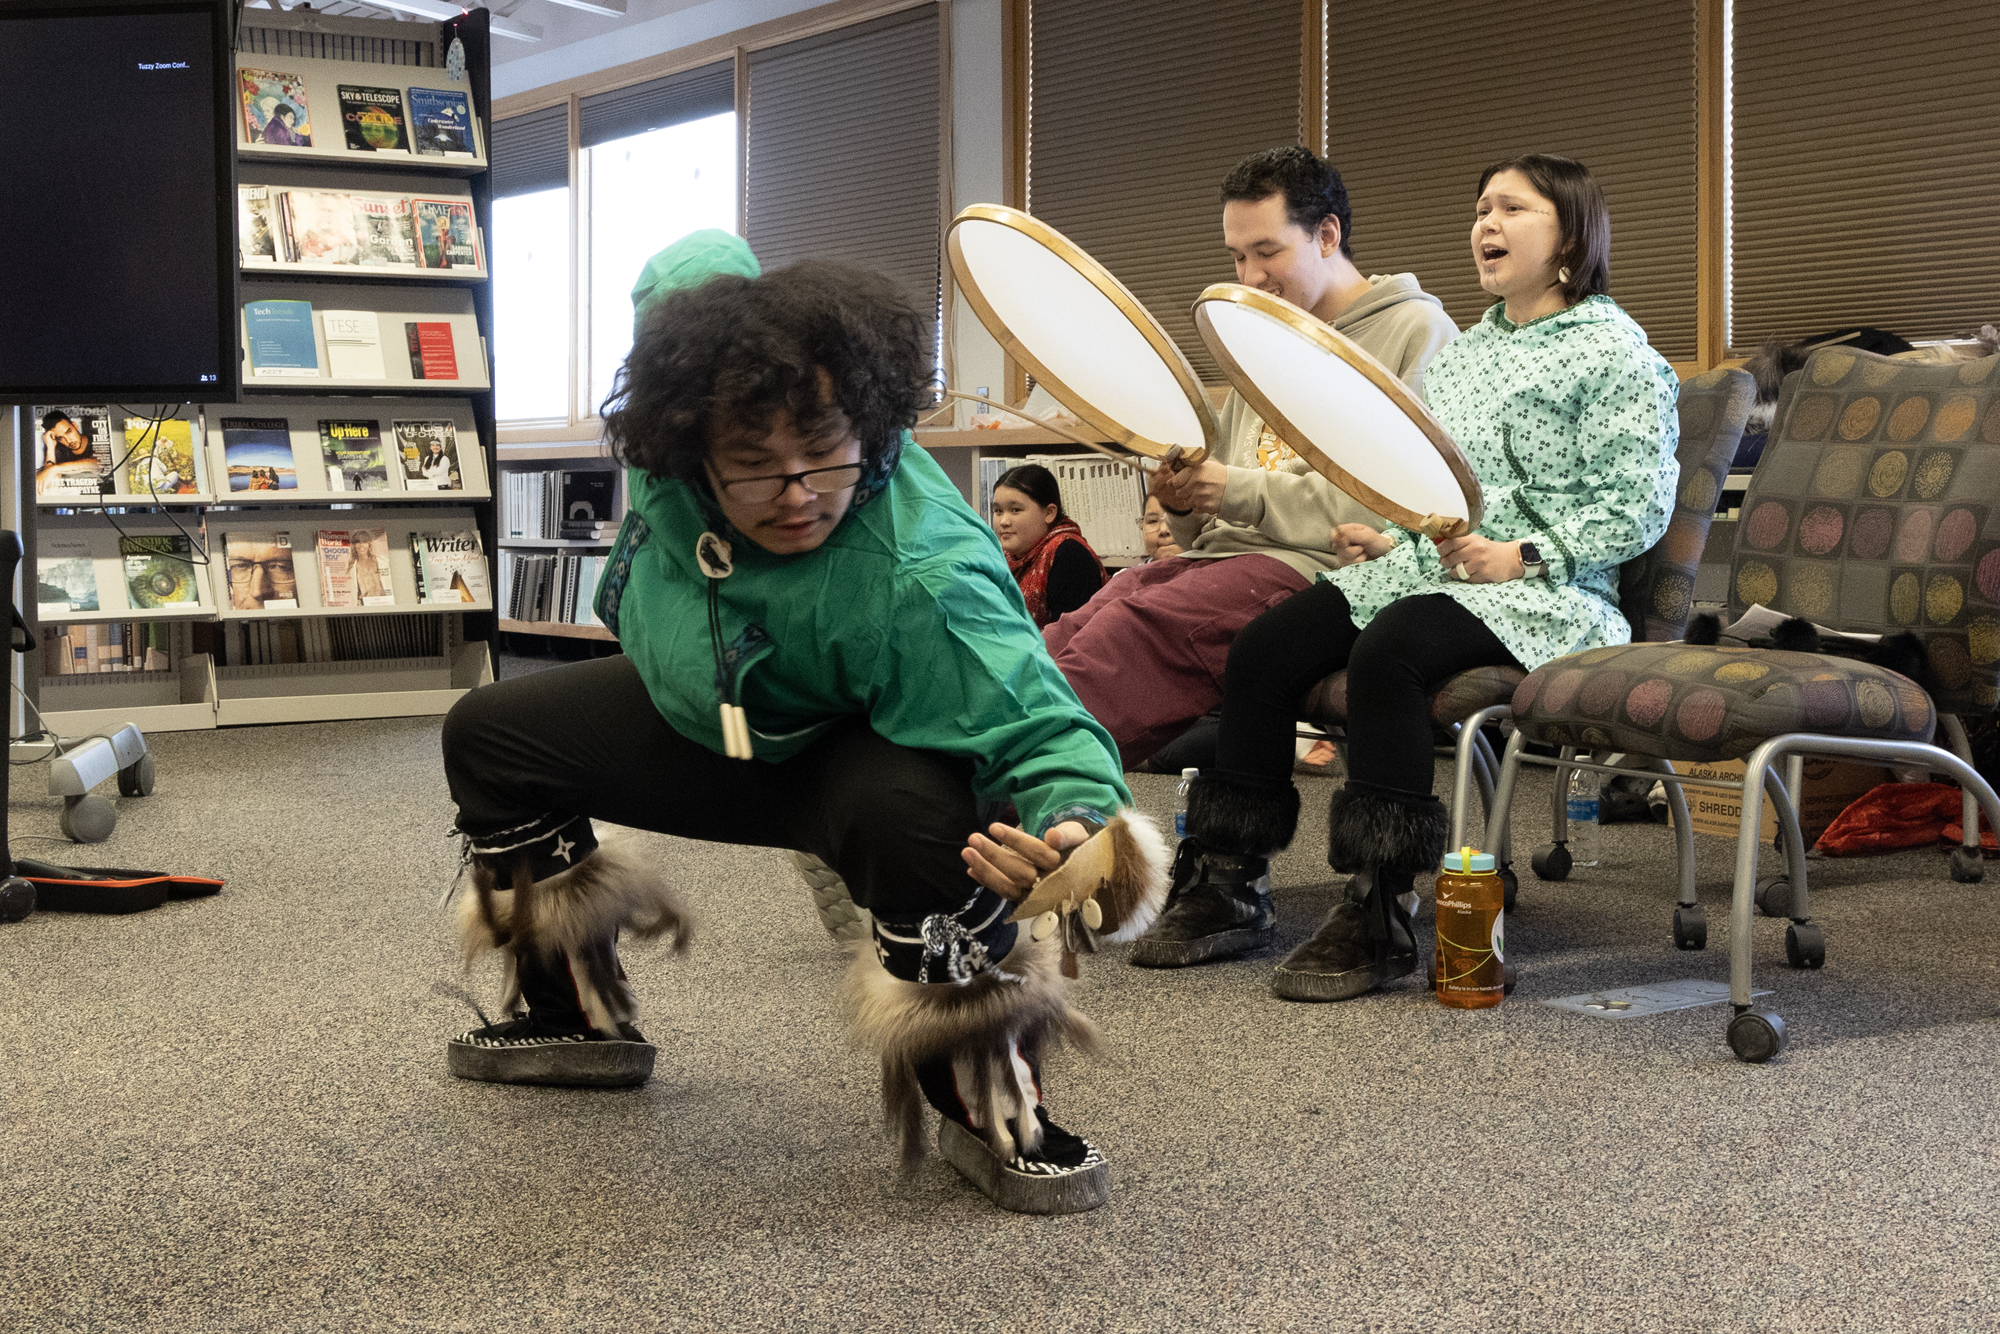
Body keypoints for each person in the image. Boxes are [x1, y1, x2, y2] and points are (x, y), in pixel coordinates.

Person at [437, 232, 1168, 1215]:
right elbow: (687, 275)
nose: (794, 495)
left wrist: (1085, 832)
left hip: (854, 757)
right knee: (488, 732)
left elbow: (1035, 713)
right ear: (685, 440)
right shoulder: (678, 421)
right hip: (714, 715)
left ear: (865, 421)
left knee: (924, 814)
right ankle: (580, 1014)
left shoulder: (921, 574)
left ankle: (988, 1098)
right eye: (751, 465)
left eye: (822, 456)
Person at [1132, 154, 1680, 996]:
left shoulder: (1618, 354)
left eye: (1511, 209)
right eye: (1480, 207)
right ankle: (1231, 885)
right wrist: (1396, 538)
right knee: (1267, 647)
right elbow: (1439, 485)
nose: (1485, 224)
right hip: (1440, 571)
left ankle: (1380, 905)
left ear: (1569, 234)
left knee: (1389, 649)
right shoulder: (1468, 354)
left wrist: (1524, 554)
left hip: (1552, 593)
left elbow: (1637, 506)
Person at [1044, 146, 1459, 768]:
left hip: (1318, 571)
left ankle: (998, 779)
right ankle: (965, 765)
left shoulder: (1417, 333)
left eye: (1267, 253)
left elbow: (1394, 507)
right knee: (1071, 630)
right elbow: (1215, 510)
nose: (1251, 277)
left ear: (1326, 235)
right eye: (1238, 257)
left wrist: (1231, 490)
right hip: (1222, 560)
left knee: (1131, 632)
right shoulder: (1259, 338)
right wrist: (1183, 501)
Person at [991, 463, 1106, 626]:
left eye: (1016, 510)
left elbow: (1070, 638)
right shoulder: (1001, 558)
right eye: (998, 511)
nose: (1003, 521)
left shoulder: (1070, 555)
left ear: (1049, 513)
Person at [1139, 494, 1183, 562]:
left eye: (1176, 518)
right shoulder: (1128, 573)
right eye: (1152, 521)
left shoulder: (1204, 572)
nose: (1163, 530)